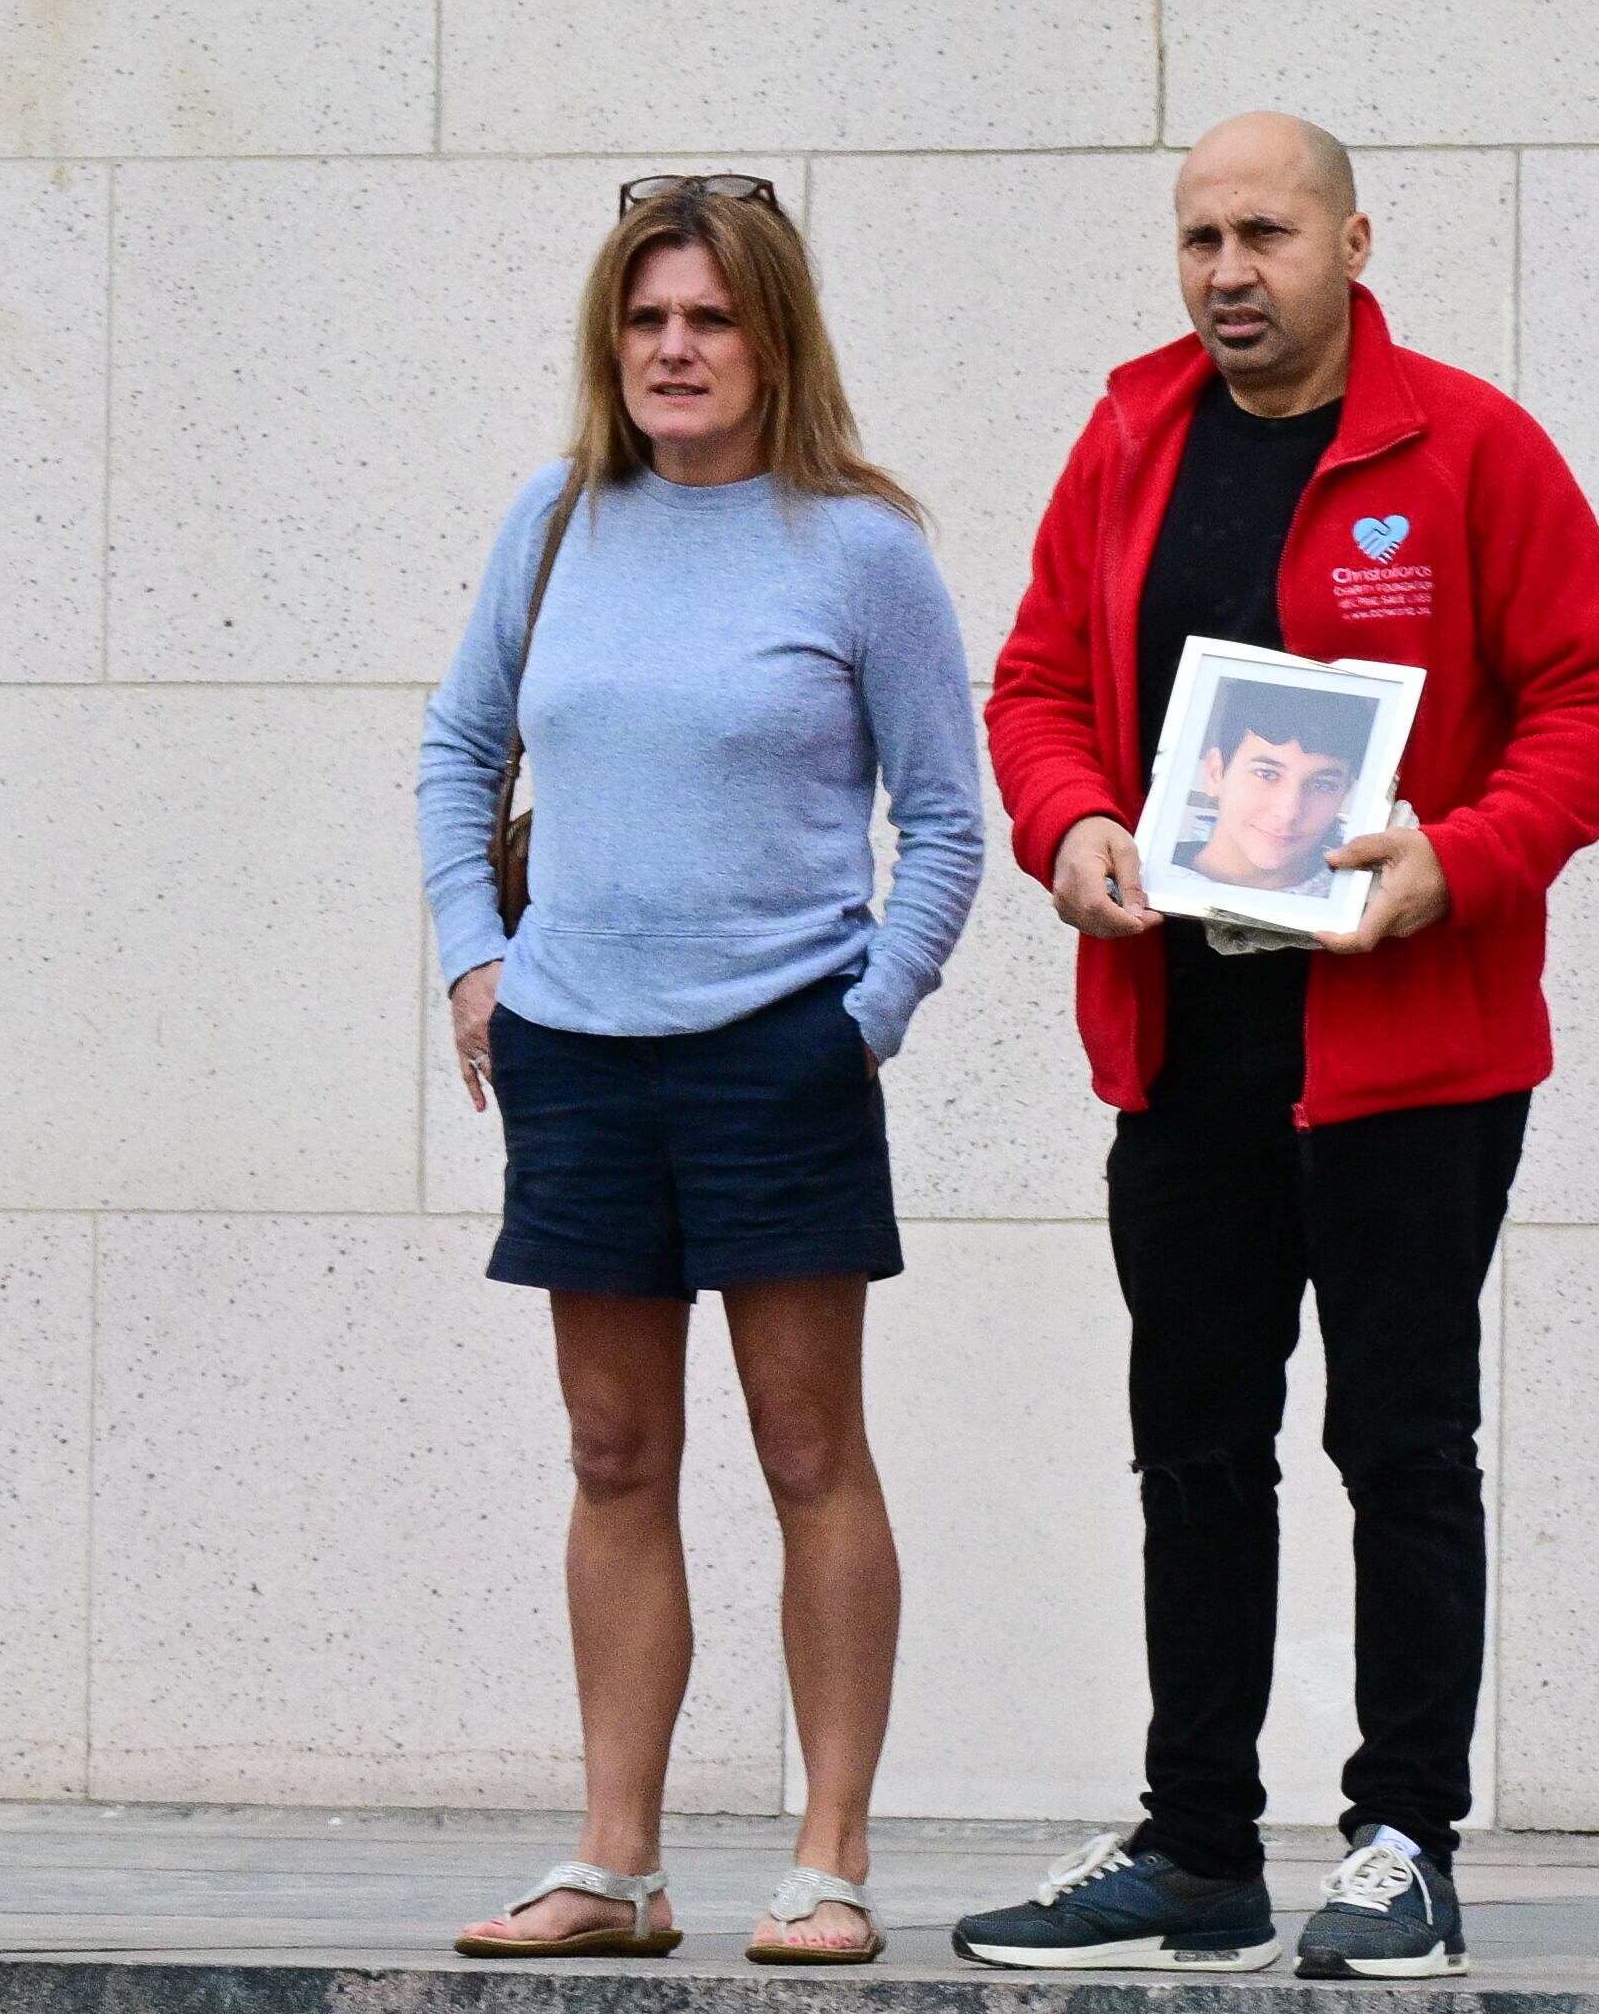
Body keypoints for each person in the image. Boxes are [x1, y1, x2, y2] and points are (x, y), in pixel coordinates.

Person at [954, 114, 1599, 1981]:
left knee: (1404, 1443)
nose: (1226, 272)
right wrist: (1070, 827)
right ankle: (1198, 1847)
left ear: (1355, 240)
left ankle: (1404, 1843)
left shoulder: (1470, 448)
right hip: (1186, 1041)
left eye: (1263, 232)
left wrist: (1466, 859)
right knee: (1194, 1442)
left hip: (1411, 1060)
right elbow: (1031, 686)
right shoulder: (1128, 444)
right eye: (1197, 238)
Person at [417, 175, 987, 1970]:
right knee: (611, 1452)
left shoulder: (861, 551)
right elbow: (457, 746)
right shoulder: (554, 521)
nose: (676, 348)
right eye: (650, 318)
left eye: (712, 319)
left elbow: (951, 822)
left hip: (780, 1055)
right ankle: (618, 1865)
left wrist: (863, 1014)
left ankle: (827, 1862)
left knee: (809, 1446)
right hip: (579, 1054)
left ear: (773, 339)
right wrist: (475, 956)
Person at [1173, 679, 1371, 900]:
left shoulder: (1370, 899)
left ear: (1345, 792)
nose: (1289, 812)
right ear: (1215, 773)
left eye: (1322, 785)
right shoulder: (1139, 874)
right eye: (1266, 774)